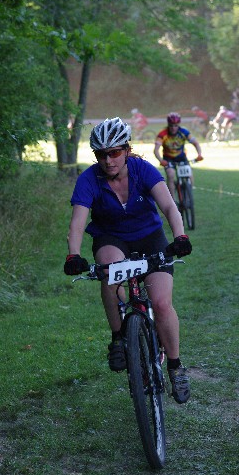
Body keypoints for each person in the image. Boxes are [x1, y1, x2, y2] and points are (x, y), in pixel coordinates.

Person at [63, 116, 192, 404]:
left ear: (127, 149)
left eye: (115, 152)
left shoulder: (142, 170)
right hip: (112, 238)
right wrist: (73, 254)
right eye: (101, 154)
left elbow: (169, 207)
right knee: (109, 274)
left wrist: (180, 236)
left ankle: (175, 366)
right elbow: (76, 224)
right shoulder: (89, 180)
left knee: (160, 303)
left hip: (150, 236)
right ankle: (119, 338)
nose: (108, 160)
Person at [153, 112, 203, 200]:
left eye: (175, 125)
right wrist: (161, 160)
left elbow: (196, 143)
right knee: (171, 174)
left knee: (189, 173)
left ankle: (189, 194)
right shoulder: (162, 134)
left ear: (178, 125)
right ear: (168, 124)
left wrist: (199, 154)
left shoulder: (184, 132)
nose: (173, 128)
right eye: (171, 125)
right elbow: (156, 150)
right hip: (168, 158)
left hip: (181, 157)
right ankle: (172, 200)